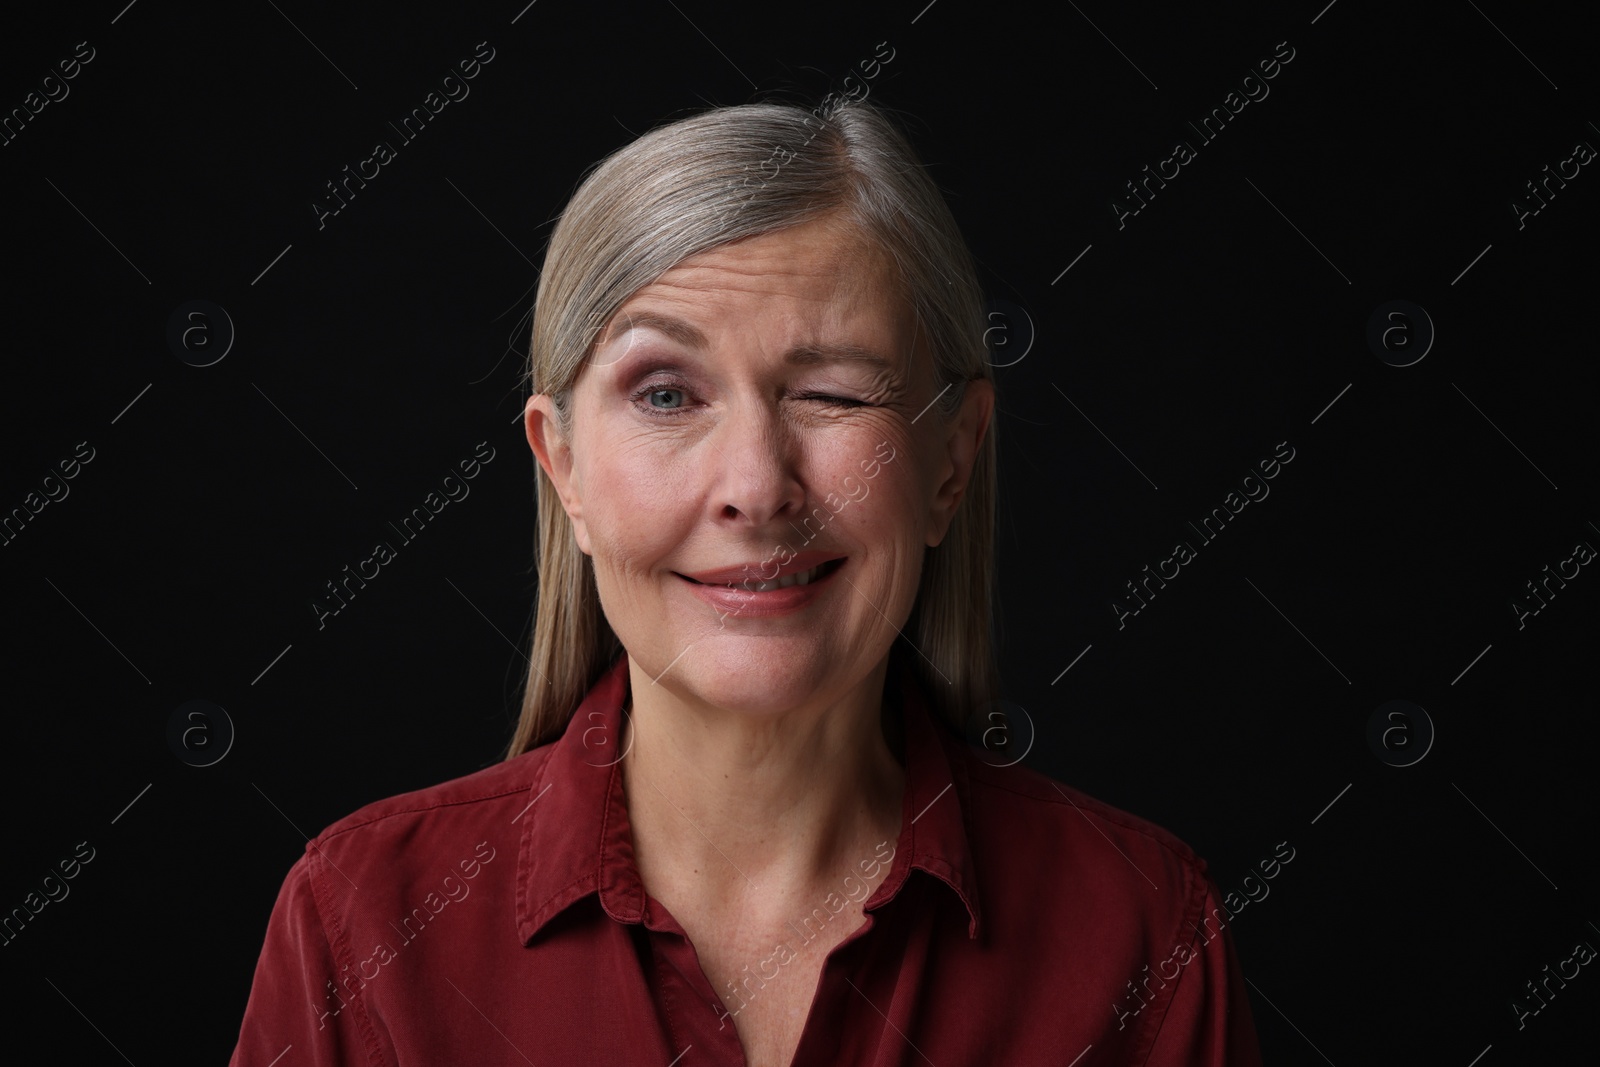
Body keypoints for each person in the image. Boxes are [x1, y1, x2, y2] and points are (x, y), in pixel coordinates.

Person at [229, 98, 1262, 1066]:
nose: (757, 488)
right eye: (667, 393)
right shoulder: (358, 922)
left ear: (950, 462)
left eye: (830, 392)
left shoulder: (1142, 928)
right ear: (564, 469)